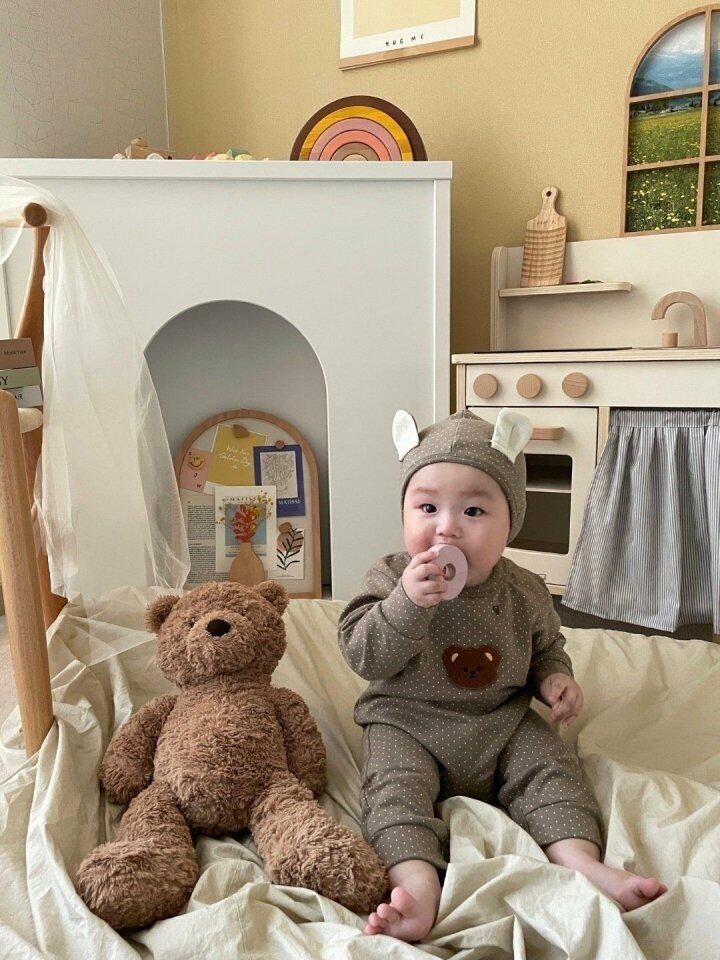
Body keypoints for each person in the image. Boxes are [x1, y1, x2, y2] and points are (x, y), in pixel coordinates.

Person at [337, 409, 667, 943]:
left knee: (551, 768)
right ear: (404, 512)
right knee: (394, 789)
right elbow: (362, 654)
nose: (446, 526)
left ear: (510, 523)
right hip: (407, 722)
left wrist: (554, 679)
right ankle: (416, 885)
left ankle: (581, 862)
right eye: (427, 507)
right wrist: (405, 604)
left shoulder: (525, 590)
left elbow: (546, 648)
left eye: (473, 510)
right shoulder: (392, 576)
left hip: (501, 721)